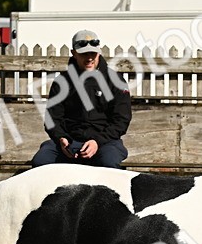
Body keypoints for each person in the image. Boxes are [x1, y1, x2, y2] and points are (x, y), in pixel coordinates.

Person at [31, 29, 132, 169]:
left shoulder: (115, 81)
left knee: (108, 162)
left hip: (105, 143)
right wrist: (62, 139)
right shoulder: (62, 82)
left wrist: (97, 142)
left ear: (99, 52)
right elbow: (52, 119)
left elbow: (121, 120)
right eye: (84, 54)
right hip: (70, 142)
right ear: (74, 53)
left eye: (93, 53)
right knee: (41, 161)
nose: (89, 58)